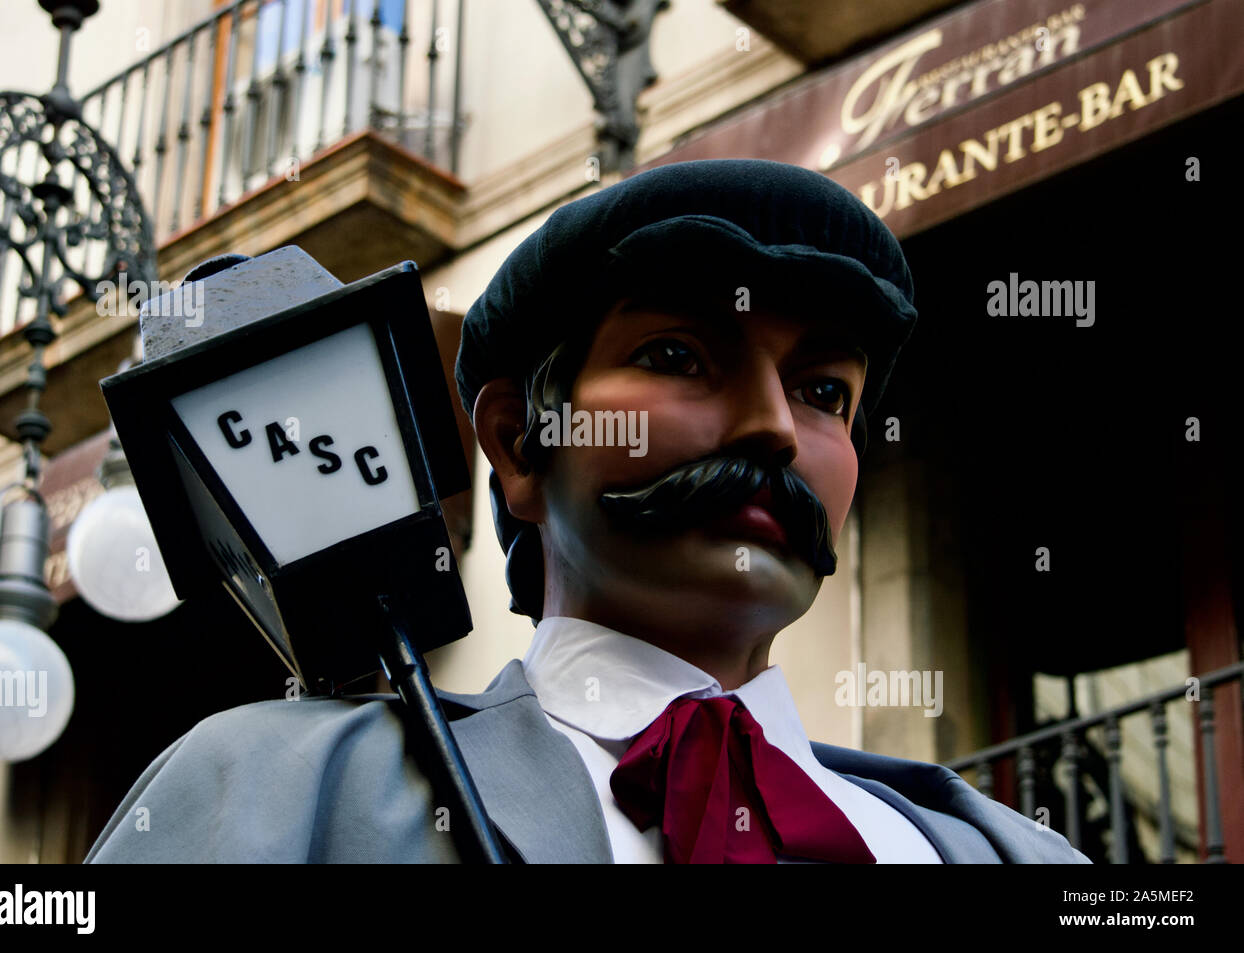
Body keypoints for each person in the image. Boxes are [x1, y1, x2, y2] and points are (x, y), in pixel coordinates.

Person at [85, 158, 1089, 863]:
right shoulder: (271, 792)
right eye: (676, 358)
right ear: (522, 444)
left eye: (825, 392)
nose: (773, 431)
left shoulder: (1005, 857)